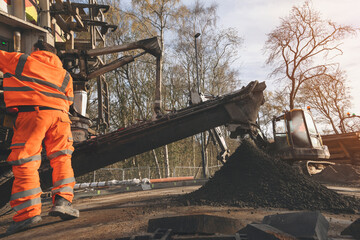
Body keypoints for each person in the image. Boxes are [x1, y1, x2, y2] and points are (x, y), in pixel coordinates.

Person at [0, 40, 79, 235]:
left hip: (33, 115)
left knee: (25, 160)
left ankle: (28, 213)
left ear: (36, 50)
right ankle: (63, 202)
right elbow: (69, 100)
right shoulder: (65, 76)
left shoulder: (22, 61)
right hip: (60, 117)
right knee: (61, 159)